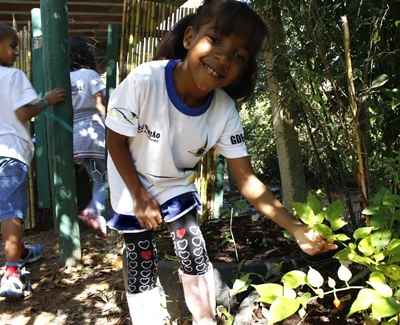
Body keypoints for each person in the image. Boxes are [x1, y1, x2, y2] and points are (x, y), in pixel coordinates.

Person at [105, 1, 337, 324]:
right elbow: (114, 140)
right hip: (129, 179)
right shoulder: (144, 81)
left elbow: (246, 180)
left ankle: (205, 318)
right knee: (141, 257)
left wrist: (296, 229)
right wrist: (139, 195)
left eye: (238, 56)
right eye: (214, 40)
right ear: (189, 38)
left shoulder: (224, 111)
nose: (223, 58)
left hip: (173, 183)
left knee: (190, 243)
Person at [0, 23, 65, 298]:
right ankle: (12, 272)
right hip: (10, 152)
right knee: (11, 212)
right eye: (12, 46)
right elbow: (24, 113)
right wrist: (47, 100)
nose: (16, 51)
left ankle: (23, 252)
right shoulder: (13, 76)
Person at [69, 36, 108, 238]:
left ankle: (96, 216)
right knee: (105, 179)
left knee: (95, 177)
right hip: (94, 132)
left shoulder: (66, 77)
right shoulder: (91, 74)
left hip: (74, 135)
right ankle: (93, 211)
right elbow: (100, 105)